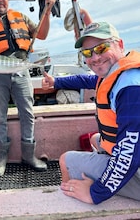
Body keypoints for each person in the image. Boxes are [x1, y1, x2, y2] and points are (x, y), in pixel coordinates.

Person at [42, 21, 140, 204]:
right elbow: (86, 79)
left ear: (120, 45)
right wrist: (57, 82)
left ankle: (71, 207)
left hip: (135, 166)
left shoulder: (131, 90)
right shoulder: (117, 72)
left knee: (66, 160)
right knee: (96, 138)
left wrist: (95, 193)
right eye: (87, 53)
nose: (94, 57)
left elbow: (128, 155)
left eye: (101, 48)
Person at [0, 0, 56, 177]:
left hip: (21, 71)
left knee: (27, 113)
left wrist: (48, 9)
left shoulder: (21, 16)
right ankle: (2, 157)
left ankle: (29, 156)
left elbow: (42, 35)